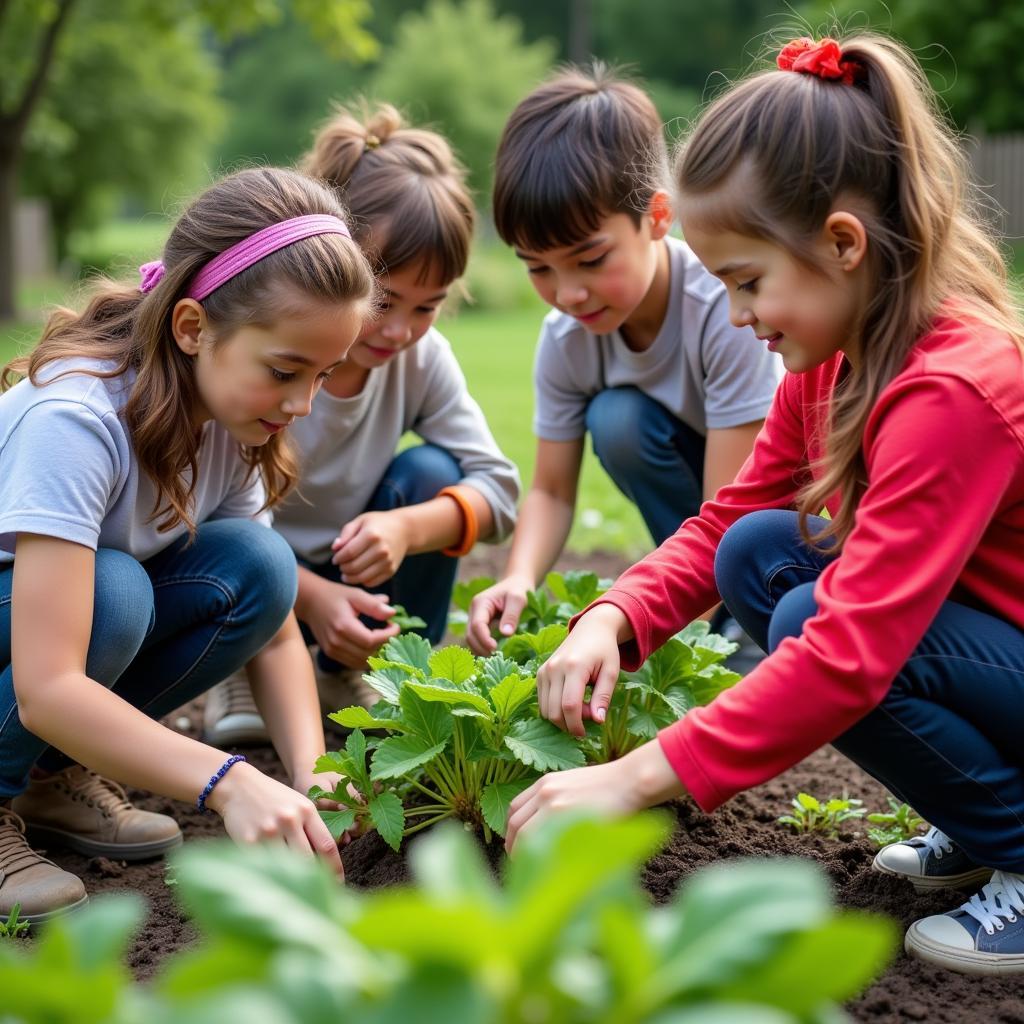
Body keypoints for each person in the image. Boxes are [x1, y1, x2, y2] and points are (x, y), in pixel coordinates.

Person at [504, 36, 1024, 976]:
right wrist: (613, 619)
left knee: (810, 623)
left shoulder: (952, 390)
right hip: (996, 654)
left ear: (842, 244)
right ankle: (980, 822)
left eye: (747, 281)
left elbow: (850, 658)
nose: (737, 314)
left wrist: (633, 776)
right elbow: (718, 524)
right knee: (758, 552)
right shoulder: (831, 364)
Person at [0, 167, 375, 923]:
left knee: (261, 568)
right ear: (193, 327)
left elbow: (271, 630)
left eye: (323, 375)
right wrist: (230, 780)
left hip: (41, 654)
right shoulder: (76, 418)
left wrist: (313, 776)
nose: (302, 404)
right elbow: (45, 685)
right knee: (116, 593)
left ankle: (45, 777)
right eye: (285, 371)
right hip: (38, 655)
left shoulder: (230, 422)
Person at [203, 105, 519, 745]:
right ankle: (237, 670)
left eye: (427, 306)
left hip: (356, 585)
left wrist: (407, 526)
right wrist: (309, 595)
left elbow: (500, 489)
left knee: (432, 474)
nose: (401, 329)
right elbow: (203, 518)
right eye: (383, 300)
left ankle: (386, 671)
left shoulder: (420, 360)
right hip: (256, 572)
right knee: (237, 548)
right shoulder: (267, 366)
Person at [466, 65, 780, 656]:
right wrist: (518, 577)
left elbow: (731, 507)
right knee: (618, 418)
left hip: (770, 524)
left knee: (622, 423)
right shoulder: (566, 337)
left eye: (590, 259)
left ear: (658, 217)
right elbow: (552, 492)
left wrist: (644, 624)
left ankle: (737, 620)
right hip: (707, 536)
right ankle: (707, 615)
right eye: (537, 267)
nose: (567, 293)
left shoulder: (725, 310)